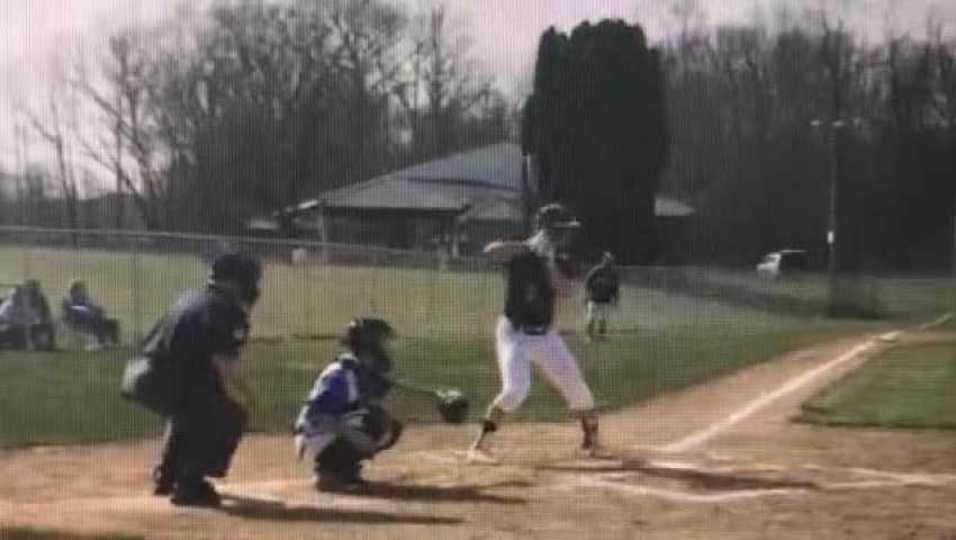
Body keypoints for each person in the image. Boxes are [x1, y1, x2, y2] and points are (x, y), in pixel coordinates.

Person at [468, 203, 604, 463]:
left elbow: (567, 290)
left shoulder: (561, 259)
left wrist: (547, 261)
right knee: (515, 390)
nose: (566, 236)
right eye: (560, 231)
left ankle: (592, 440)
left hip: (545, 335)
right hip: (513, 332)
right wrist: (528, 249)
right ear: (547, 230)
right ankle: (480, 446)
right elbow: (491, 251)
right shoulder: (522, 252)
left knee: (577, 387)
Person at [129, 253, 261, 507]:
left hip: (140, 375)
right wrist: (246, 395)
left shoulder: (193, 297)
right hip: (165, 380)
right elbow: (223, 364)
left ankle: (167, 476)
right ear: (234, 281)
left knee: (193, 408)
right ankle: (190, 483)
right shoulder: (227, 309)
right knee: (228, 414)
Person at [294, 318, 403, 492]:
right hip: (315, 435)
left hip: (327, 434)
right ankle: (327, 473)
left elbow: (392, 394)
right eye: (382, 343)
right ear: (370, 345)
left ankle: (344, 471)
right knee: (374, 421)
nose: (386, 349)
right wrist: (351, 434)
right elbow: (314, 415)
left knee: (389, 423)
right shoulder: (341, 375)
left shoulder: (361, 370)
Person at [62, 279, 120, 349]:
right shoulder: (68, 299)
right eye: (79, 289)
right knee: (96, 319)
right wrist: (88, 310)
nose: (82, 291)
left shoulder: (84, 298)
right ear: (74, 290)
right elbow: (73, 309)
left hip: (89, 318)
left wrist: (98, 309)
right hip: (78, 322)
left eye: (82, 288)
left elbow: (91, 306)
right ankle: (101, 341)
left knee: (113, 323)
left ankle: (114, 342)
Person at [0, 282, 55, 351]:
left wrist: (37, 322)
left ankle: (44, 344)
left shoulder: (27, 306)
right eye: (15, 295)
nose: (18, 297)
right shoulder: (7, 306)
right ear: (11, 296)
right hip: (7, 329)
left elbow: (35, 319)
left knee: (41, 327)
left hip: (21, 331)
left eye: (19, 295)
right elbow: (3, 319)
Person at [584, 252, 620, 342]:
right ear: (603, 260)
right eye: (607, 259)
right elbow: (587, 281)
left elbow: (615, 287)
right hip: (594, 299)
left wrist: (616, 298)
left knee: (603, 320)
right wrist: (587, 294)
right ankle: (589, 336)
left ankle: (601, 336)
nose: (609, 262)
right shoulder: (596, 270)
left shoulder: (613, 273)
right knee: (591, 318)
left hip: (605, 300)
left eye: (610, 260)